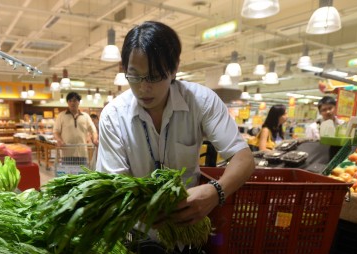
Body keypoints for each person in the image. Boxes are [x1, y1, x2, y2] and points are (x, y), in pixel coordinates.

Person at [95, 21, 255, 226]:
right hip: (135, 230)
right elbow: (114, 186)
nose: (143, 88)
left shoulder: (201, 101)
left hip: (188, 223)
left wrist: (217, 191)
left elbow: (243, 157)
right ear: (124, 68)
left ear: (174, 69)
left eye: (154, 77)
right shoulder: (113, 116)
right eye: (134, 76)